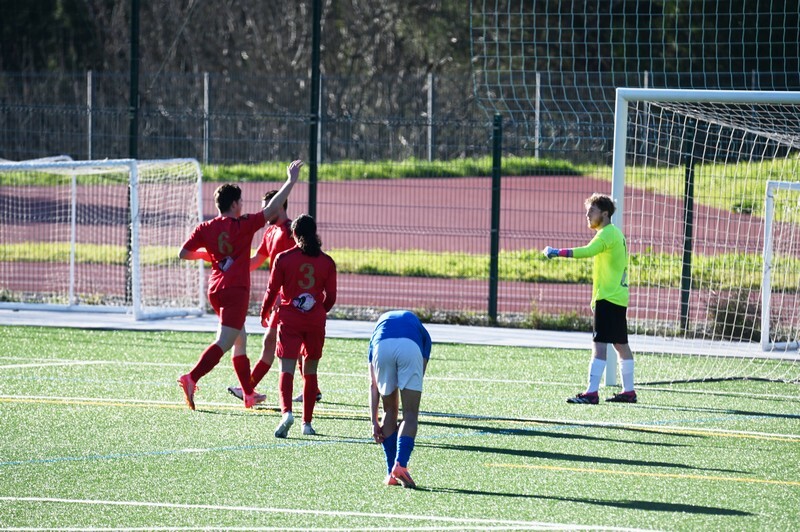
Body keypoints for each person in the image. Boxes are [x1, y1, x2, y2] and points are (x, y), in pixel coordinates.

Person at [176, 160, 303, 410]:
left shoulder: (205, 227)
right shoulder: (243, 224)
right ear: (234, 204)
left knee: (239, 340)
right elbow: (273, 208)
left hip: (215, 289)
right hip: (235, 290)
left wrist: (207, 256)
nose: (243, 205)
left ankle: (248, 394)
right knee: (225, 342)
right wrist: (291, 180)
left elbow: (183, 253)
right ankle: (191, 377)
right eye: (241, 201)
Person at [226, 190, 321, 404]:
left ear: (280, 205)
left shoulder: (290, 232)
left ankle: (248, 388)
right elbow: (256, 260)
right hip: (281, 298)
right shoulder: (270, 232)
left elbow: (300, 265)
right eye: (264, 207)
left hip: (287, 299)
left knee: (271, 343)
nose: (265, 211)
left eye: (269, 206)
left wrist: (284, 294)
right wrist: (231, 267)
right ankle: (312, 389)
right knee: (285, 345)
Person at [542, 193, 637, 404]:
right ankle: (629, 391)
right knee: (620, 344)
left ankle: (592, 393)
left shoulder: (606, 234)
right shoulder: (615, 234)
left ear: (605, 214)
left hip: (608, 298)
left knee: (599, 344)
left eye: (592, 211)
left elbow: (587, 251)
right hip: (617, 297)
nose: (587, 215)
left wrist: (557, 252)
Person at [261, 214, 337, 438]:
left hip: (290, 319)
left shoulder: (284, 258)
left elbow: (272, 290)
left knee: (286, 369)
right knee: (310, 371)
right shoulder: (327, 262)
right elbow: (331, 297)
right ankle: (307, 423)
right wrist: (319, 311)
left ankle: (286, 413)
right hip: (315, 321)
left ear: (294, 234)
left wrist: (264, 311)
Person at [368, 310, 432, 489]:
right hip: (410, 347)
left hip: (382, 347)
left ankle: (391, 473)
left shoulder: (377, 332)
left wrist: (373, 421)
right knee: (410, 414)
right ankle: (400, 465)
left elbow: (373, 384)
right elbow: (420, 370)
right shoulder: (422, 333)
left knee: (389, 410)